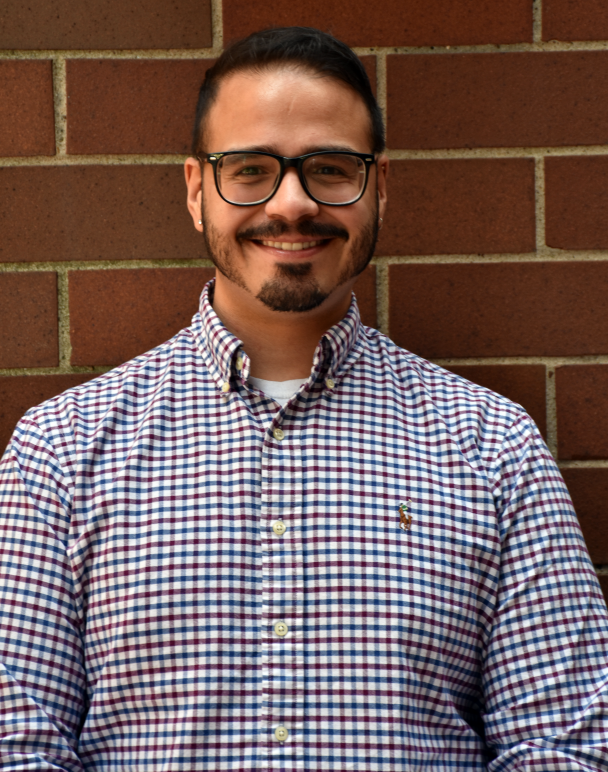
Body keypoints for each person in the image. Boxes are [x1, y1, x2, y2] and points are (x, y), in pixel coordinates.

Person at [0, 26, 607, 772]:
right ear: (197, 191)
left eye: (328, 168)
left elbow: (561, 747)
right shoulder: (60, 451)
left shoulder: (494, 447)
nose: (291, 204)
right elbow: (18, 748)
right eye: (250, 169)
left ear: (378, 188)